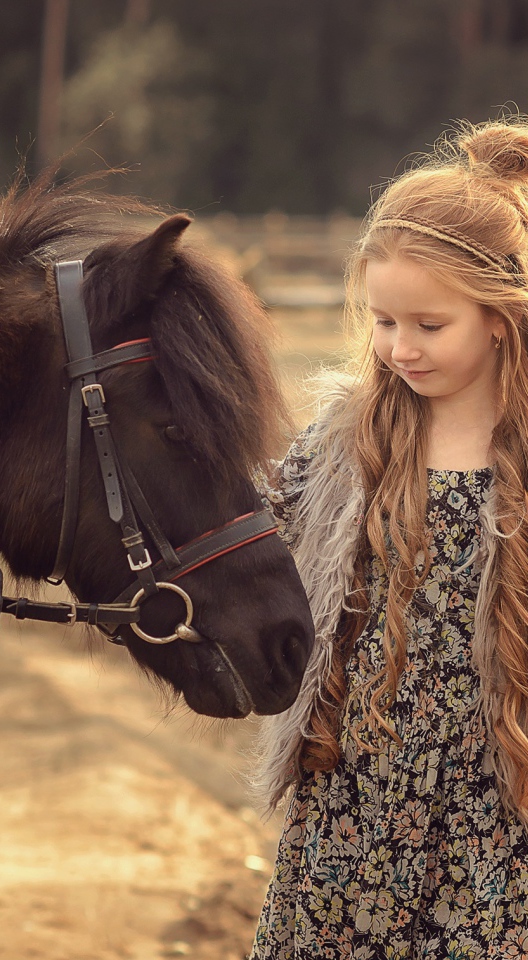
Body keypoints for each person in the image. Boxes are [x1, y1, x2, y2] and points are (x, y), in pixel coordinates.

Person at [249, 118, 528, 959]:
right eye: (383, 321)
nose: (400, 347)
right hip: (353, 795)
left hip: (500, 811)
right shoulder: (348, 435)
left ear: (501, 317)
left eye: (428, 325)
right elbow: (255, 529)